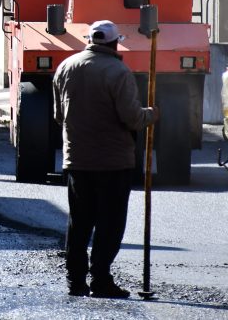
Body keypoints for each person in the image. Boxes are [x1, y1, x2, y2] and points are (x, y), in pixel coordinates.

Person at [52, 20, 160, 298]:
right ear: (114, 44)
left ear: (89, 40)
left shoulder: (65, 67)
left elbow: (59, 116)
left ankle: (76, 280)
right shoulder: (118, 72)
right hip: (113, 163)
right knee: (109, 223)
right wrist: (151, 114)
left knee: (79, 222)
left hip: (77, 160)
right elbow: (132, 118)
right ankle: (100, 279)